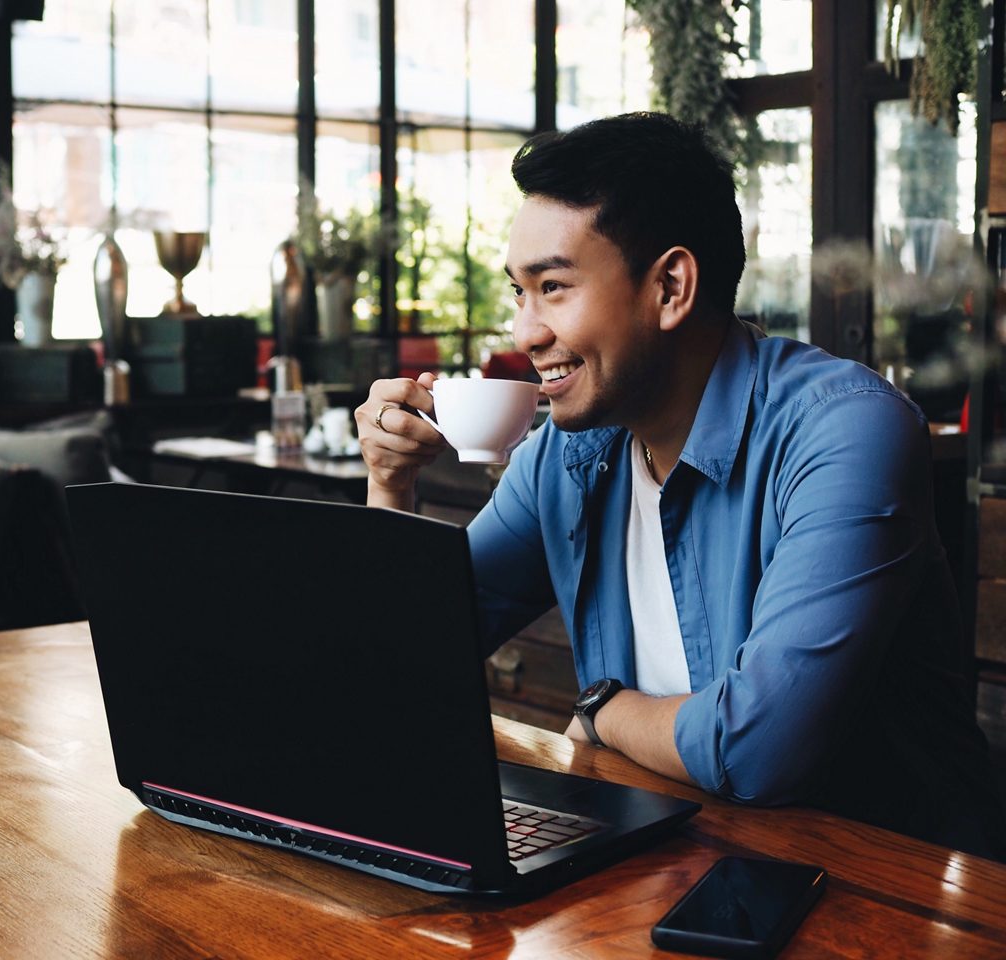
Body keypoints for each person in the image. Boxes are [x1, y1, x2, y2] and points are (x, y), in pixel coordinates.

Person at [355, 112, 1005, 860]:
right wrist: (390, 482)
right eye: (518, 293)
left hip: (890, 890)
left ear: (670, 286)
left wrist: (604, 710)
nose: (524, 333)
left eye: (553, 287)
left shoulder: (846, 431)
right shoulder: (567, 455)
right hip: (675, 858)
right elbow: (401, 663)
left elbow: (759, 747)